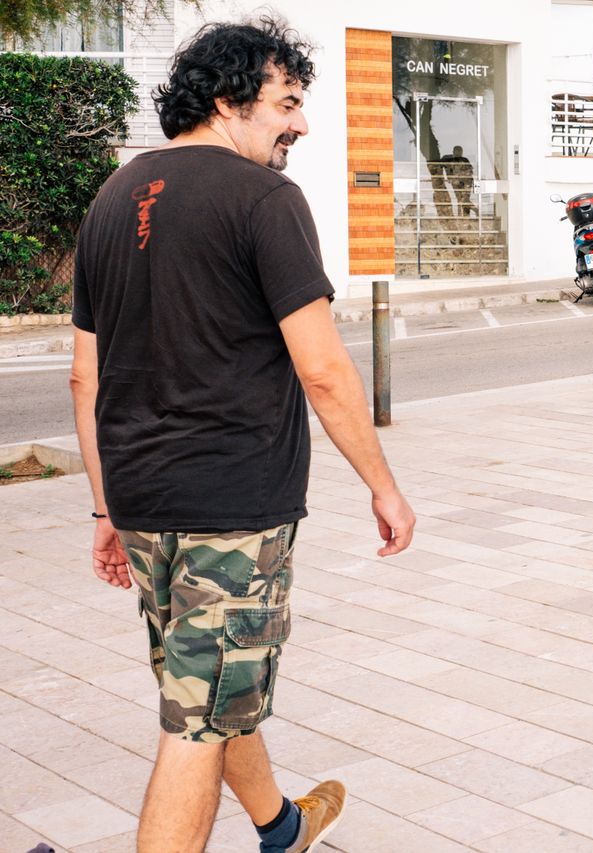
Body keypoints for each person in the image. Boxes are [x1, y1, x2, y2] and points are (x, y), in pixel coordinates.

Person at [67, 18, 416, 853]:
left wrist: (105, 508)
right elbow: (323, 369)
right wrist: (384, 483)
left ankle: (281, 827)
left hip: (145, 502)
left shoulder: (111, 199)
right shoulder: (265, 199)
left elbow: (86, 376)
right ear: (229, 100)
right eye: (287, 103)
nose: (300, 123)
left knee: (208, 688)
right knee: (197, 720)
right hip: (230, 512)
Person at [439, 144, 475, 216]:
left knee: (464, 200)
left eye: (460, 152)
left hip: (466, 183)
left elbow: (470, 171)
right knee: (459, 199)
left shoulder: (464, 160)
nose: (459, 153)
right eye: (457, 152)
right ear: (453, 152)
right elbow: (439, 166)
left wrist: (459, 176)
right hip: (456, 183)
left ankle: (468, 215)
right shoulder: (447, 159)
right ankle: (462, 216)